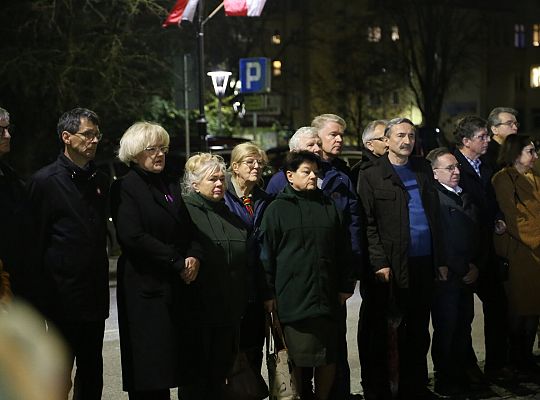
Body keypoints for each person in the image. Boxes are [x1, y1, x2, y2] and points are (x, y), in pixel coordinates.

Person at [110, 122, 202, 399]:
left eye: (163, 148)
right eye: (152, 149)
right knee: (150, 371)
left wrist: (195, 255)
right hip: (145, 288)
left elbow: (189, 229)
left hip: (176, 286)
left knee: (175, 365)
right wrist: (177, 260)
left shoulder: (170, 183)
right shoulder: (125, 186)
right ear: (135, 152)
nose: (159, 154)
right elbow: (132, 236)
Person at [357, 117, 445, 399]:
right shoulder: (371, 174)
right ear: (386, 141)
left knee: (420, 331)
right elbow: (367, 224)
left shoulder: (423, 169)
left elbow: (435, 217)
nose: (407, 141)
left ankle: (415, 387)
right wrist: (379, 262)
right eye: (400, 136)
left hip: (424, 261)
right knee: (388, 332)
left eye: (411, 136)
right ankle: (384, 390)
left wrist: (440, 259)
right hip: (392, 265)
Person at [26, 107, 109, 400]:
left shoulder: (99, 180)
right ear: (67, 137)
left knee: (92, 372)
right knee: (57, 375)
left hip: (94, 295)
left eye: (97, 134)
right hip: (60, 298)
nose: (95, 140)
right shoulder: (45, 182)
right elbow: (34, 242)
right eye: (88, 134)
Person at [260, 150, 356, 400]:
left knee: (328, 357)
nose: (313, 176)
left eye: (315, 172)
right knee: (296, 361)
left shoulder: (328, 206)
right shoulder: (277, 210)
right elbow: (266, 255)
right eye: (306, 171)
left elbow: (344, 248)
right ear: (290, 176)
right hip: (293, 300)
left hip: (327, 298)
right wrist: (268, 293)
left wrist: (346, 284)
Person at [181, 153, 248, 400]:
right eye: (213, 180)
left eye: (222, 179)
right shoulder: (185, 210)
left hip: (229, 311)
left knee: (220, 377)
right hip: (198, 311)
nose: (220, 184)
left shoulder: (229, 212)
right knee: (197, 379)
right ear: (195, 184)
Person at [452, 115, 512, 383]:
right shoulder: (452, 166)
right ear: (466, 141)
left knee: (498, 307)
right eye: (482, 137)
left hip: (487, 251)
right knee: (462, 316)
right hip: (463, 252)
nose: (488, 141)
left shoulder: (485, 166)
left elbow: (491, 201)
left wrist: (498, 217)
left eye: (487, 136)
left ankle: (497, 366)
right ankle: (466, 368)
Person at [312, 113, 362, 400]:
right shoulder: (296, 174)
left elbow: (352, 223)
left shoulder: (341, 175)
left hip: (336, 269)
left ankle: (339, 392)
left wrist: (351, 266)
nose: (340, 139)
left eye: (342, 134)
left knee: (337, 338)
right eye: (333, 134)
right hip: (309, 270)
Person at [426, 147, 480, 397]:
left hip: (466, 275)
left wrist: (474, 265)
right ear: (434, 173)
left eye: (456, 167)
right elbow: (439, 239)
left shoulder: (464, 196)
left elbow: (474, 237)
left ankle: (461, 374)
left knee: (463, 327)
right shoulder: (434, 199)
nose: (456, 172)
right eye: (449, 168)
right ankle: (445, 377)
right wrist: (447, 265)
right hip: (446, 277)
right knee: (446, 329)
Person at [492, 135, 540, 376]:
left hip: (535, 252)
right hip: (519, 250)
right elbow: (512, 217)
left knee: (533, 307)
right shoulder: (503, 179)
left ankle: (526, 356)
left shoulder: (534, 176)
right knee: (519, 307)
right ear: (515, 153)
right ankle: (515, 358)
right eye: (530, 151)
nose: (534, 156)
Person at [223, 142, 272, 376]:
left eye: (259, 163)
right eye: (250, 162)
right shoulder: (222, 196)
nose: (256, 167)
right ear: (235, 166)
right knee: (231, 352)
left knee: (254, 350)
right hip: (230, 287)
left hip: (257, 285)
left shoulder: (264, 198)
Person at [0, 107, 30, 302]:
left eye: (8, 128)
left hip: (18, 279)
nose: (8, 135)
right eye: (0, 130)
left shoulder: (10, 176)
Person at [265, 126, 321, 194]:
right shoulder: (279, 181)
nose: (318, 149)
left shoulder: (330, 172)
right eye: (310, 145)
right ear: (295, 151)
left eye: (319, 144)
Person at [351, 119, 388, 186]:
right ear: (370, 145)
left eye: (390, 138)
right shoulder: (359, 172)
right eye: (383, 139)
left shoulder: (398, 164)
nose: (389, 143)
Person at [486, 107, 519, 172]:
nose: (515, 128)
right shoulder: (486, 152)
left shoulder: (515, 149)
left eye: (516, 124)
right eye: (509, 123)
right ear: (494, 129)